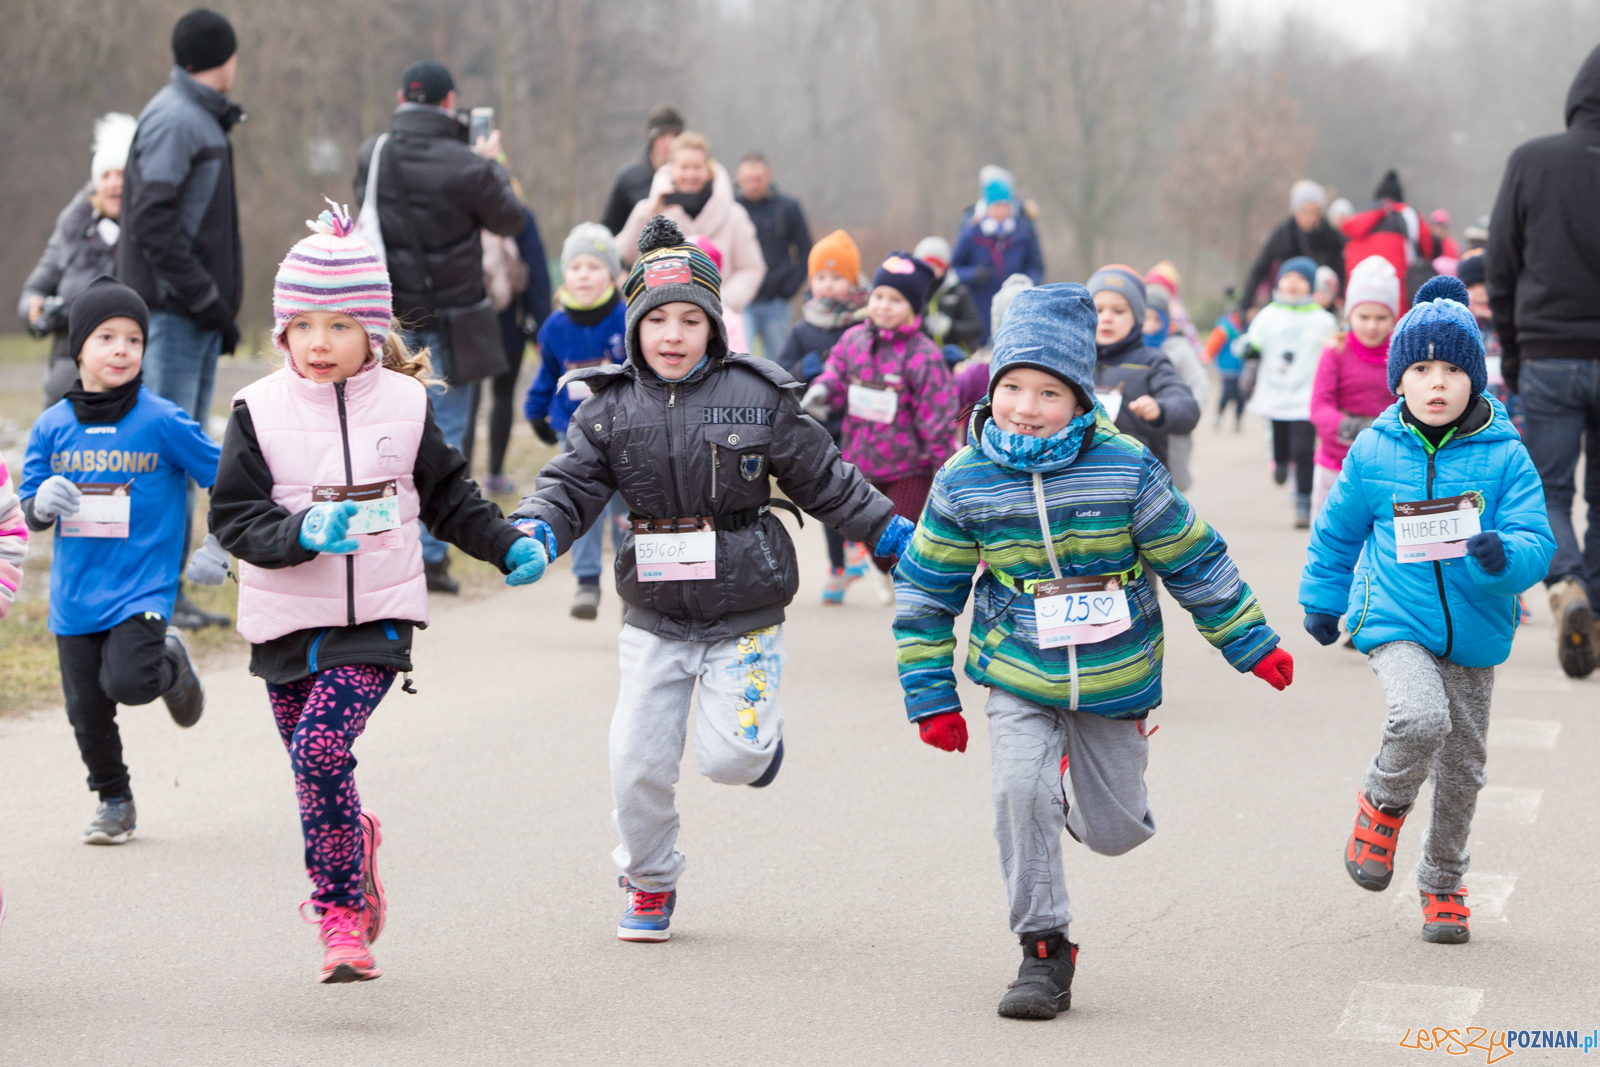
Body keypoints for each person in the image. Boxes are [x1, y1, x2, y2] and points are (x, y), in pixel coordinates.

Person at [893, 282, 1294, 1021]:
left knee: (1116, 833)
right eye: (1011, 386)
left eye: (1048, 391)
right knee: (1019, 788)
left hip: (1116, 669)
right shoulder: (965, 478)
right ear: (991, 386)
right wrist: (931, 695)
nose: (1024, 405)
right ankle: (1043, 948)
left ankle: (1083, 775)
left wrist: (1250, 641)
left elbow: (1192, 557)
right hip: (1016, 660)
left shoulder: (1127, 467)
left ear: (1081, 398)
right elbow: (925, 589)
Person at [507, 216, 910, 943]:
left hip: (744, 610)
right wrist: (536, 529)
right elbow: (568, 487)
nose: (672, 333)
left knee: (736, 757)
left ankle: (759, 746)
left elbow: (827, 479)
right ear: (633, 328)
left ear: (715, 324)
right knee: (635, 762)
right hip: (653, 615)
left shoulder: (759, 397)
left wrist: (888, 534)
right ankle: (649, 880)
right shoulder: (607, 408)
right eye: (656, 319)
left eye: (689, 318)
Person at [197, 206, 546, 983]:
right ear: (283, 330)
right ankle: (355, 839)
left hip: (376, 618)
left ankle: (340, 913)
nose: (320, 343)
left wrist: (505, 543)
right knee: (313, 768)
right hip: (287, 619)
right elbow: (234, 517)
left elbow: (451, 497)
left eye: (340, 325)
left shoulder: (407, 404)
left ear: (373, 330)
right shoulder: (256, 410)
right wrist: (303, 533)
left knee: (323, 749)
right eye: (304, 325)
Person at [1300, 276, 1555, 945]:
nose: (1436, 383)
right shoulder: (1374, 449)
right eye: (1419, 368)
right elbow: (1336, 533)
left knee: (1464, 769)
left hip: (1476, 629)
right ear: (1399, 380)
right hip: (1395, 619)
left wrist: (1505, 557)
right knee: (1419, 715)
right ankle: (1380, 806)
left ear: (1475, 379)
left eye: (1450, 369)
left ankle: (1442, 882)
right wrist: (1323, 601)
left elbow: (1537, 540)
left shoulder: (1505, 454)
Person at [17, 277, 214, 846]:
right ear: (79, 348)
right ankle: (114, 801)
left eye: (134, 338)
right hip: (75, 594)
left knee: (128, 682)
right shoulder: (53, 425)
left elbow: (223, 475)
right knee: (86, 710)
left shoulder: (161, 420)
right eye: (107, 337)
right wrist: (39, 504)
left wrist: (221, 540)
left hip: (142, 589)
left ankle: (169, 662)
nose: (122, 349)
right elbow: (26, 507)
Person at [353, 59, 526, 594]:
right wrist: (491, 163)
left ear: (400, 97)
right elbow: (510, 219)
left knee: (382, 432)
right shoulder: (469, 165)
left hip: (389, 320)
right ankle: (429, 556)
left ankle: (385, 545)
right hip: (453, 319)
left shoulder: (373, 153)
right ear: (450, 104)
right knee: (443, 434)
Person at [118, 8, 244, 631]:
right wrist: (205, 298)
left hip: (189, 313)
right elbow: (153, 221)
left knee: (184, 454)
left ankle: (166, 596)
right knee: (162, 457)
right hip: (172, 315)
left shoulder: (198, 118)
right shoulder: (178, 120)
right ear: (221, 58)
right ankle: (149, 598)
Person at [1487, 43, 1600, 678]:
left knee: (1548, 487)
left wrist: (1514, 349)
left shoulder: (1532, 161)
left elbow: (1502, 264)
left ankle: (1568, 585)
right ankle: (1597, 616)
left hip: (1551, 352)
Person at [804, 250, 961, 594]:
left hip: (910, 468)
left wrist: (946, 467)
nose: (883, 306)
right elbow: (837, 375)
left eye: (895, 299)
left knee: (898, 530)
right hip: (862, 462)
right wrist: (821, 391)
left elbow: (937, 416)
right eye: (878, 296)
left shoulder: (924, 355)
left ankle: (913, 590)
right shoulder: (853, 340)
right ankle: (883, 569)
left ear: (913, 307)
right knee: (873, 539)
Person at [525, 223, 629, 620]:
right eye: (575, 267)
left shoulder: (624, 318)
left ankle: (629, 581)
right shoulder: (554, 327)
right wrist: (535, 411)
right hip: (575, 434)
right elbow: (547, 375)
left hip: (624, 435)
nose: (583, 275)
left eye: (593, 266)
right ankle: (587, 582)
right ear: (564, 275)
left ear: (613, 275)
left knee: (625, 512)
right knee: (584, 508)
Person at [775, 230, 871, 604]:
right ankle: (837, 566)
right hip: (819, 426)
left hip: (861, 424)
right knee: (829, 494)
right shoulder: (803, 329)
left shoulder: (862, 324)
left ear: (852, 282)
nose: (828, 286)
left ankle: (856, 548)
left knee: (858, 486)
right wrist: (801, 367)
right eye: (821, 278)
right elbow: (780, 372)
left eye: (837, 278)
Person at [20, 112, 138, 410]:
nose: (114, 184)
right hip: (65, 384)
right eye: (106, 175)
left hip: (124, 386)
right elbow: (34, 288)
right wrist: (35, 309)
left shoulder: (147, 236)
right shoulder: (72, 232)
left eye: (122, 174)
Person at [617, 133, 766, 320]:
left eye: (697, 167)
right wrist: (650, 213)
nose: (690, 175)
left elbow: (751, 267)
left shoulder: (734, 215)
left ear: (709, 169)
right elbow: (623, 255)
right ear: (671, 170)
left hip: (721, 320)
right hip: (662, 318)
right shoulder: (649, 210)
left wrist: (722, 301)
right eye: (684, 167)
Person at [1240, 257, 1339, 527]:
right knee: (1281, 443)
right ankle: (1280, 463)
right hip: (1275, 391)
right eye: (1287, 278)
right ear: (1279, 281)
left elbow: (1333, 349)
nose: (1293, 284)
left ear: (1310, 285)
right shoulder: (1268, 314)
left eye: (1300, 279)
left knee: (1304, 450)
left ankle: (1303, 501)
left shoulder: (1322, 319)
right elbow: (1251, 341)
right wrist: (1250, 349)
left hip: (1306, 395)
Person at [463, 201, 552, 496]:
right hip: (508, 323)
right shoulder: (518, 215)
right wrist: (541, 326)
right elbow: (537, 272)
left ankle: (461, 479)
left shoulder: (460, 213)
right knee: (502, 395)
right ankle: (495, 476)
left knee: (468, 399)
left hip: (467, 320)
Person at [1309, 256, 1402, 518]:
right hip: (1336, 462)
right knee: (1331, 541)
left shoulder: (1400, 354)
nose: (1372, 325)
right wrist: (1350, 427)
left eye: (1381, 317)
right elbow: (1319, 405)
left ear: (1393, 316)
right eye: (1364, 316)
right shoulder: (1335, 350)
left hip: (1386, 464)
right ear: (1350, 313)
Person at [1084, 265, 1199, 472]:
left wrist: (1161, 409)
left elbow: (1188, 408)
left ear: (1137, 317)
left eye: (1118, 311)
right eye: (1098, 310)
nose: (1107, 318)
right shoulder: (1075, 361)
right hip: (1084, 479)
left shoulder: (1152, 362)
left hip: (1140, 480)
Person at [951, 165, 1046, 344]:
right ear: (987, 207)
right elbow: (954, 269)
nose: (1000, 211)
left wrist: (1026, 285)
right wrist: (974, 275)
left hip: (1016, 304)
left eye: (1004, 205)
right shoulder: (971, 233)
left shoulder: (1023, 233)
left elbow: (1036, 266)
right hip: (979, 308)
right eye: (996, 206)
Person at [734, 152, 812, 359]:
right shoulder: (730, 209)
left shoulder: (788, 207)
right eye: (748, 180)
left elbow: (806, 249)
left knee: (778, 364)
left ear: (769, 176)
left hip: (776, 302)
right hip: (740, 302)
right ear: (739, 179)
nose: (753, 185)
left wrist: (790, 288)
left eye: (758, 179)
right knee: (739, 360)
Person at [1237, 180, 1347, 312]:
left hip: (1322, 302)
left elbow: (1340, 270)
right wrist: (1245, 304)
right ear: (1296, 210)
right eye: (1305, 211)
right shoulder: (1283, 234)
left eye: (1315, 212)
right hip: (1288, 297)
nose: (1310, 217)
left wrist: (1338, 298)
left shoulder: (1330, 235)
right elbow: (1260, 268)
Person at [1340, 170, 1437, 310]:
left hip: (1358, 287)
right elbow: (1428, 248)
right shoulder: (1408, 214)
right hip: (1397, 283)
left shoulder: (1360, 216)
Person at [1142, 284, 1207, 491]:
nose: (1149, 325)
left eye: (1156, 319)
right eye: (1145, 318)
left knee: (1173, 481)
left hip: (1173, 429)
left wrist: (1186, 412)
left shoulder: (1178, 349)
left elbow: (1199, 384)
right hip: (1139, 429)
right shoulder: (1131, 351)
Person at [601, 106, 684, 237]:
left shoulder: (692, 180)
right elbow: (609, 231)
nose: (669, 142)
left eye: (674, 135)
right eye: (662, 135)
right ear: (651, 140)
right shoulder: (628, 179)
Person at [914, 236, 984, 358]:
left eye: (936, 265)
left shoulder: (958, 292)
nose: (931, 271)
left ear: (945, 266)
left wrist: (949, 327)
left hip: (954, 360)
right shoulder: (914, 291)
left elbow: (976, 327)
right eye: (926, 265)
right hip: (920, 358)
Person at [1204, 302, 1248, 431]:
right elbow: (1213, 343)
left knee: (1241, 396)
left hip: (1243, 368)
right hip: (1227, 367)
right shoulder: (1225, 327)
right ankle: (1219, 416)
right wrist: (1207, 356)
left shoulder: (1248, 326)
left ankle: (1238, 420)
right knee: (1228, 393)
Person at [1143, 261, 1201, 349]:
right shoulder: (1148, 304)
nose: (1155, 289)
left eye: (1159, 285)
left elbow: (1188, 334)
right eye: (1152, 284)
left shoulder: (1175, 309)